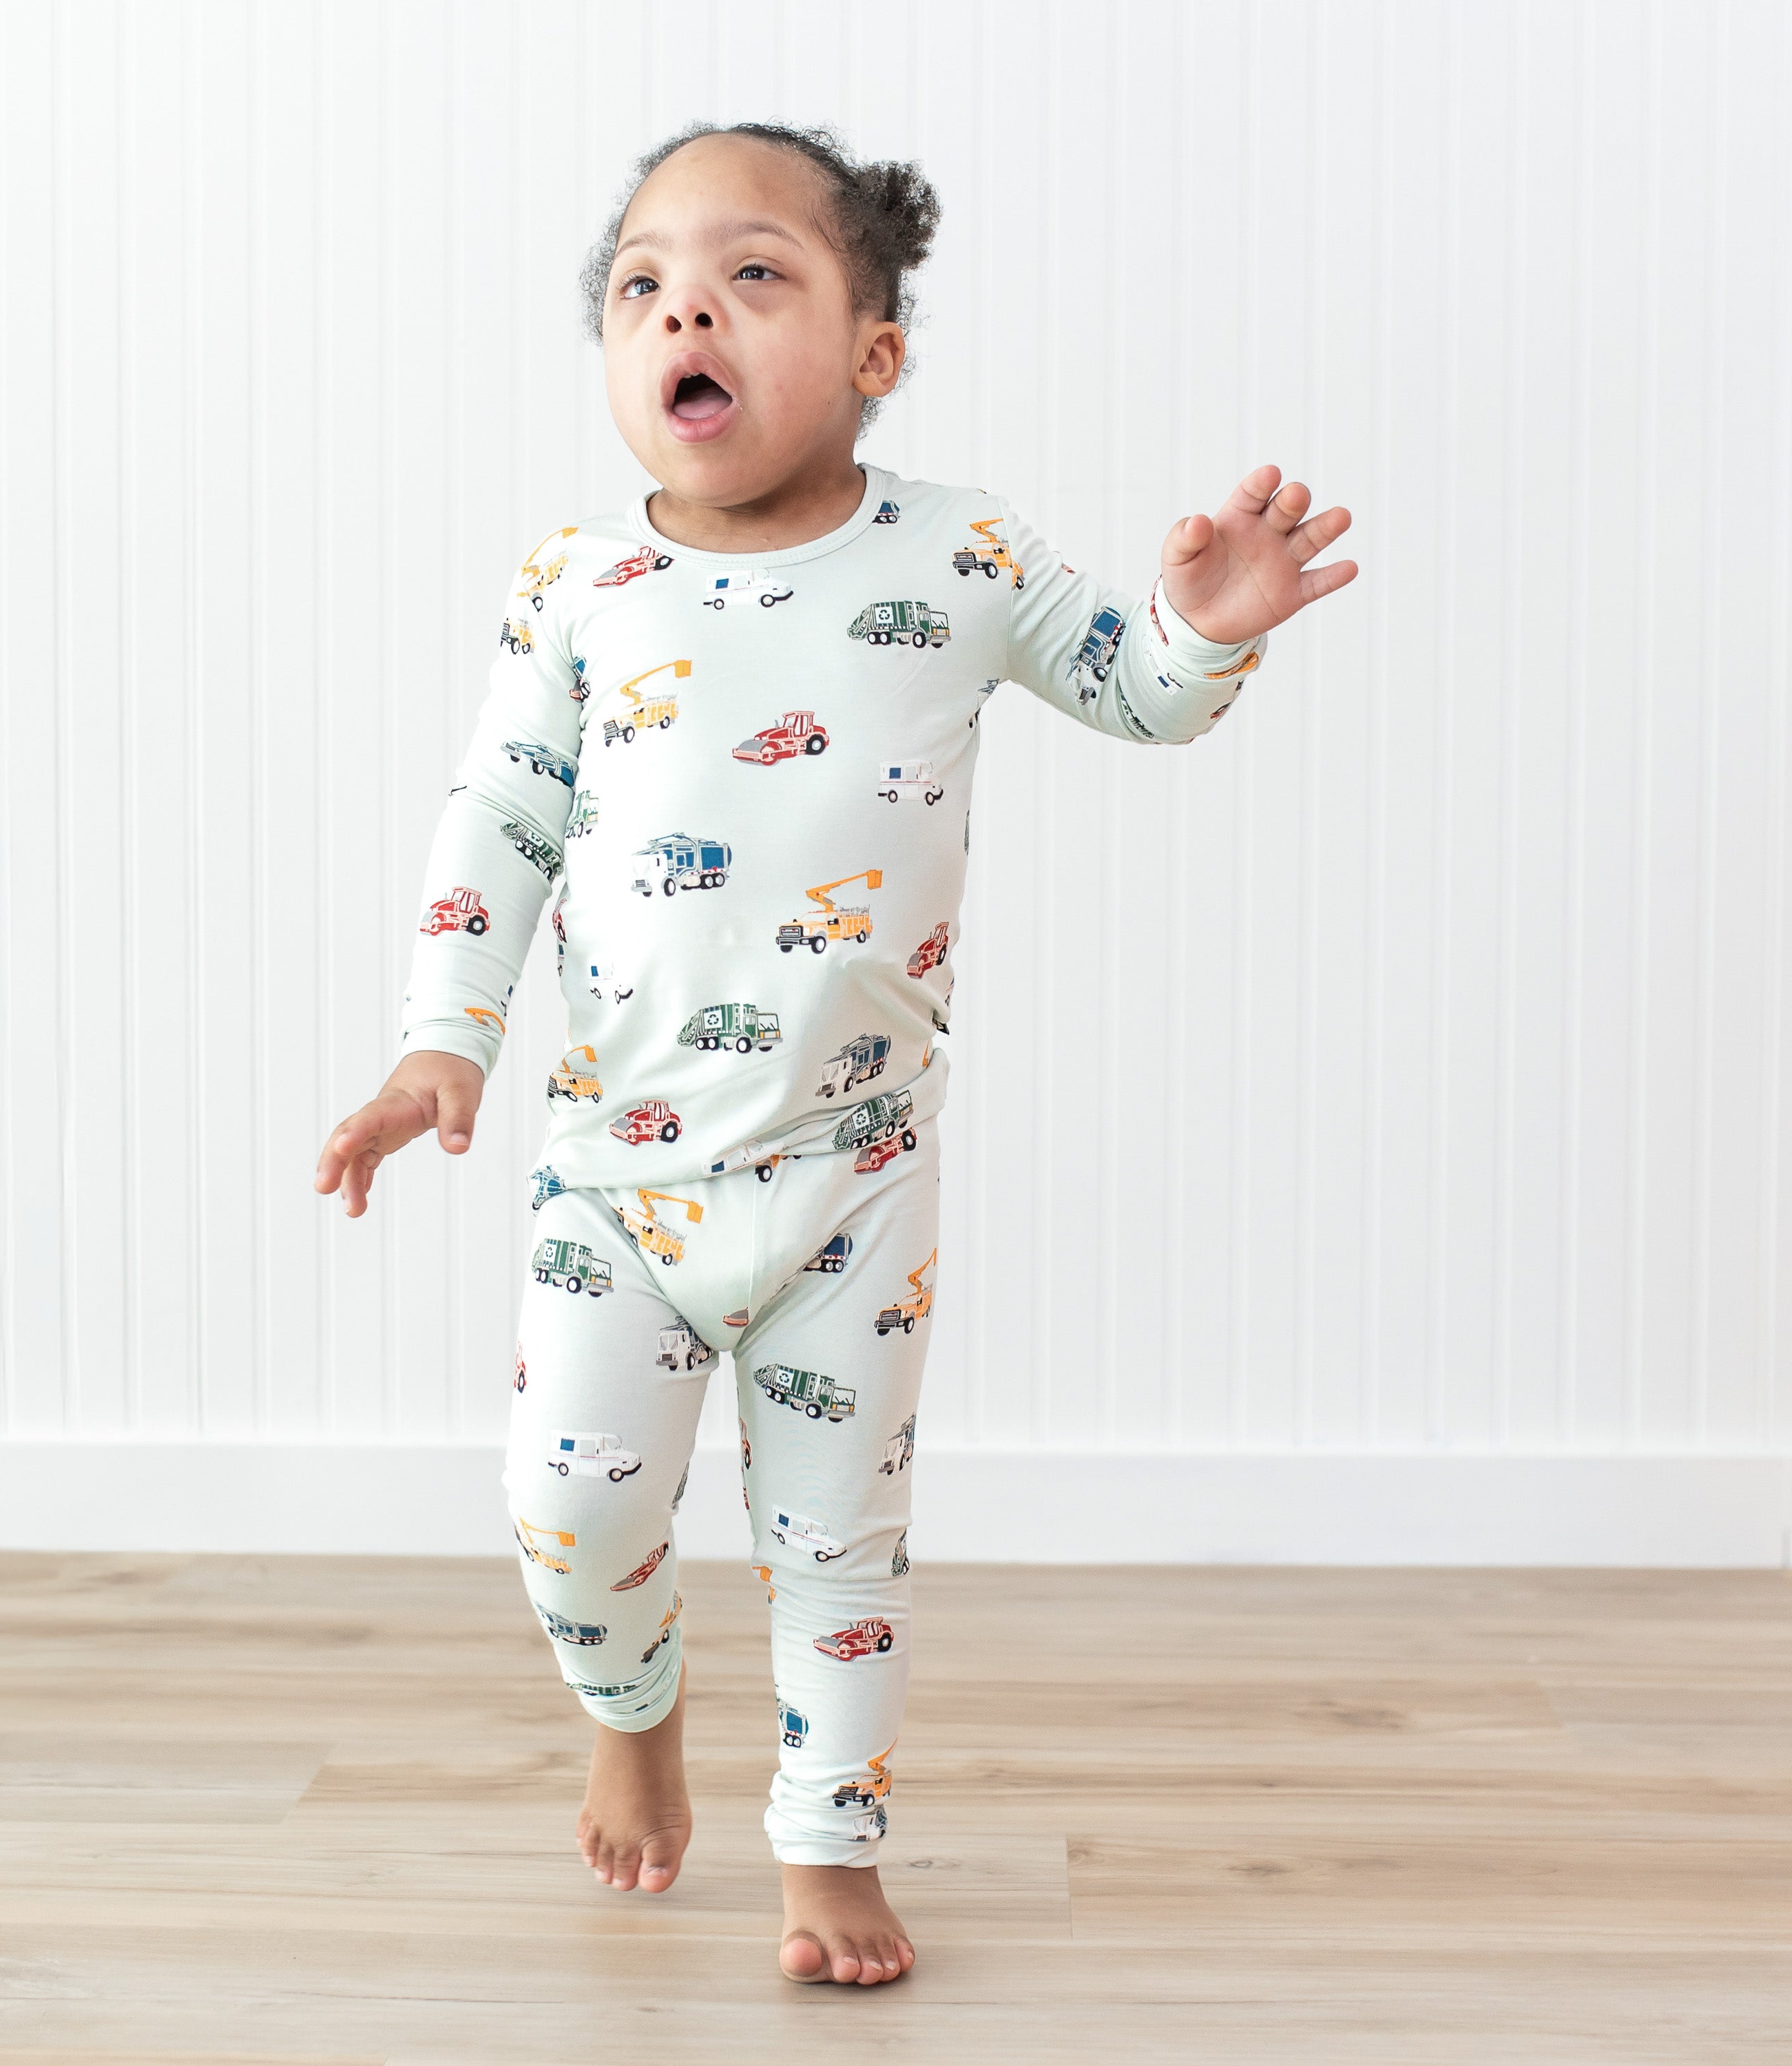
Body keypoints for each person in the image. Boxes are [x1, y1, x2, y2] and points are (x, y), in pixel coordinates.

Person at [314, 118, 1357, 1988]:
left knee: (839, 1546)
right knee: (569, 1510)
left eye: (751, 272)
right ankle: (630, 1707)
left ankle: (828, 1848)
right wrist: (438, 1046)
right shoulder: (576, 585)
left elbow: (1128, 681)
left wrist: (1203, 629)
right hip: (611, 1180)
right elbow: (499, 822)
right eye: (642, 284)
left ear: (876, 349)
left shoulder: (956, 553)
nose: (683, 305)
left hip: (854, 1180)